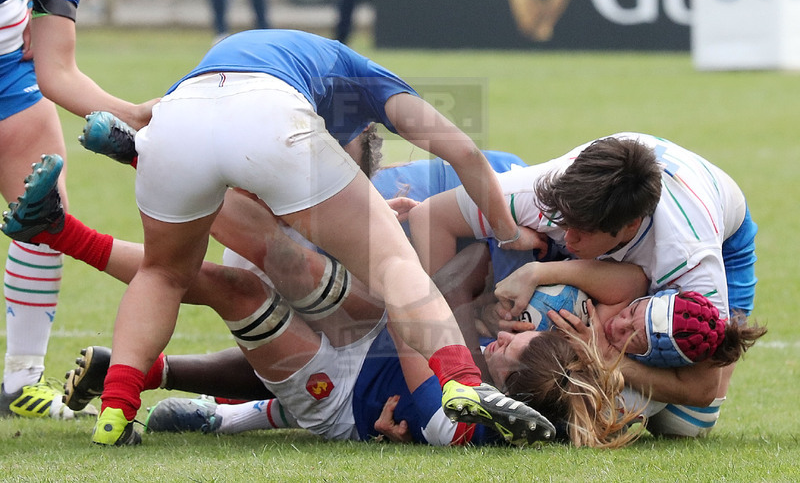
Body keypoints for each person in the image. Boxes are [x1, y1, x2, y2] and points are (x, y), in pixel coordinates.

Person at [59, 29, 549, 447]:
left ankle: (117, 410)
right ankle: (461, 381)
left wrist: (139, 140)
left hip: (181, 119)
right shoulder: (365, 79)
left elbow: (154, 114)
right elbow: (464, 152)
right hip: (271, 128)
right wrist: (507, 236)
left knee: (166, 273)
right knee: (372, 266)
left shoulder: (271, 65)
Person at [410, 132, 759, 437]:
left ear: (629, 226)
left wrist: (604, 358)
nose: (568, 237)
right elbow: (429, 217)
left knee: (683, 425)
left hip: (724, 240)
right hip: (621, 244)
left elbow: (702, 387)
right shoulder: (544, 196)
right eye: (564, 223)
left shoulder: (690, 260)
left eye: (582, 232)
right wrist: (467, 365)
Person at [0, 0, 153, 420]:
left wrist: (135, 116)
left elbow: (58, 72)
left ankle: (21, 379)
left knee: (42, 214)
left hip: (7, 67)